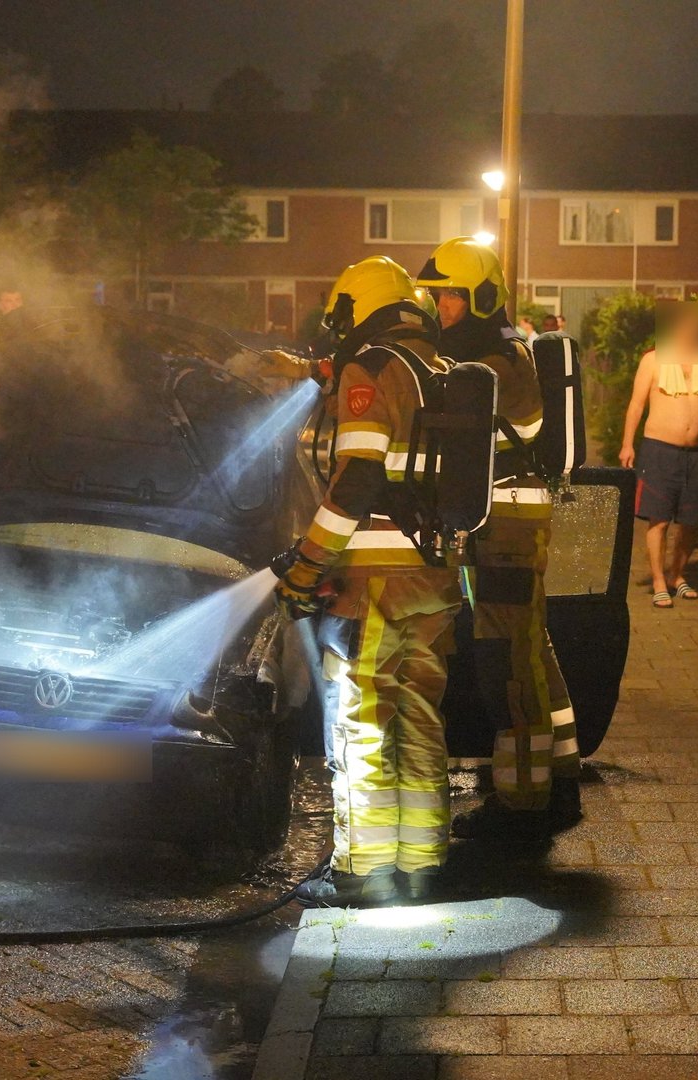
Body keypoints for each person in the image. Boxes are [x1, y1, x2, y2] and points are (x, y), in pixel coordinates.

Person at [273, 256, 462, 906]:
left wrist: (306, 566)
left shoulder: (373, 369)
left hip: (378, 582)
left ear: (357, 308)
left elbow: (357, 479)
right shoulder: (438, 369)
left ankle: (362, 870)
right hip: (435, 575)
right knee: (419, 715)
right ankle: (421, 860)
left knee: (364, 721)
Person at [415, 236, 581, 838]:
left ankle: (523, 804)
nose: (441, 308)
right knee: (531, 650)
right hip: (505, 518)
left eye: (452, 297)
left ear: (483, 298)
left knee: (508, 662)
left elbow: (490, 418)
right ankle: (558, 776)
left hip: (509, 522)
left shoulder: (500, 362)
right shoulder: (482, 355)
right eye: (436, 297)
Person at [619, 301, 698, 608]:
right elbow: (636, 405)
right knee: (659, 520)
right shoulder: (653, 360)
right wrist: (627, 444)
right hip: (659, 450)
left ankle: (677, 575)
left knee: (690, 521)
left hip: (694, 454)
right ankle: (658, 581)